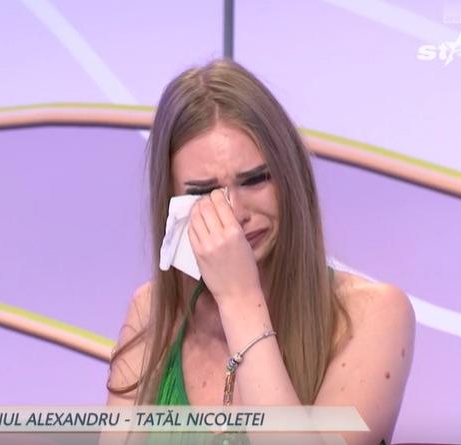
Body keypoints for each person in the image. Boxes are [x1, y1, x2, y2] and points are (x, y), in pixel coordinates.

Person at [106, 59, 414, 445]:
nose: (235, 212)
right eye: (204, 192)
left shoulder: (374, 314)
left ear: (290, 177)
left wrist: (239, 298)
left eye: (254, 180)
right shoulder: (151, 311)